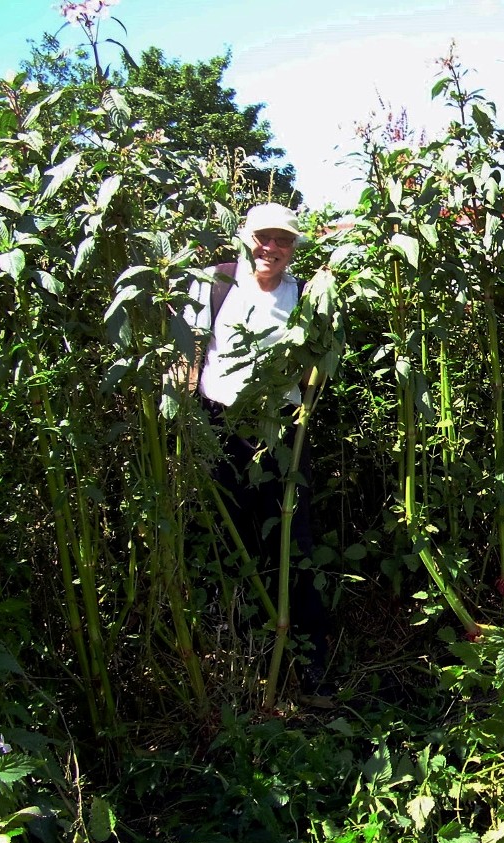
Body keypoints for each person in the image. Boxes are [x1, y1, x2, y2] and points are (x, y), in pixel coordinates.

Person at [188, 202, 333, 702]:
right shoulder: (215, 283)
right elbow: (188, 349)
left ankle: (310, 660)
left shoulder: (306, 294)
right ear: (246, 238)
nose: (271, 248)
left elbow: (319, 356)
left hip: (282, 429)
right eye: (263, 237)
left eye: (283, 240)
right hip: (219, 425)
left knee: (295, 541)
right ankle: (233, 651)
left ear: (294, 247)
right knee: (226, 535)